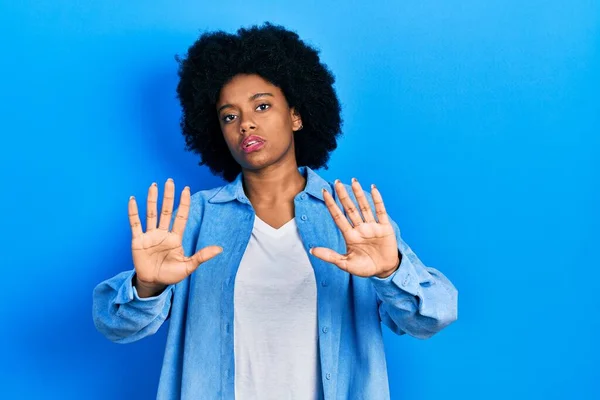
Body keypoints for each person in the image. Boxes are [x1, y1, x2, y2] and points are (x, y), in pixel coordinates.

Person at [92, 22, 458, 400]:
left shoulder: (352, 219)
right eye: (229, 116)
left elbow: (432, 316)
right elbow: (114, 323)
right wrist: (148, 287)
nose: (246, 123)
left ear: (296, 116)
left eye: (262, 106)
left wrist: (390, 270)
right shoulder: (194, 220)